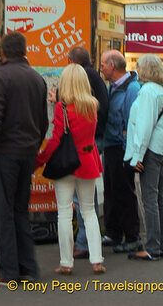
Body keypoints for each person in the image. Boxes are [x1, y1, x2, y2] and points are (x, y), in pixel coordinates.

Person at [0, 31, 48, 284]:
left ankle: (8, 271)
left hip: (7, 152)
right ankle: (28, 268)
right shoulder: (37, 78)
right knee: (20, 210)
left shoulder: (1, 76)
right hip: (28, 152)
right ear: (24, 50)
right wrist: (34, 145)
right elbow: (43, 121)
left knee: (3, 210)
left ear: (3, 52)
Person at [36, 63, 106, 275]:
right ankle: (96, 260)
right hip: (88, 161)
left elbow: (57, 139)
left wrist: (40, 159)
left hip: (66, 164)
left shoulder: (62, 108)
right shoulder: (92, 105)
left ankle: (66, 262)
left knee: (65, 213)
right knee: (89, 211)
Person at [123, 54, 163, 261]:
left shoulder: (146, 92)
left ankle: (152, 247)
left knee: (149, 198)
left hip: (150, 150)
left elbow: (144, 127)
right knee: (160, 197)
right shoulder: (162, 91)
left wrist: (137, 156)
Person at [66, 46, 109, 260]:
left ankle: (83, 243)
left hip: (86, 143)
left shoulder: (84, 77)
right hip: (94, 141)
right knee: (87, 195)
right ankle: (91, 243)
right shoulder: (94, 76)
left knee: (80, 197)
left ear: (72, 62)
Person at [100, 50, 141, 253]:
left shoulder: (130, 89)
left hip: (121, 148)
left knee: (124, 192)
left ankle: (132, 236)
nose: (101, 69)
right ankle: (113, 232)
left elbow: (131, 121)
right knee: (111, 190)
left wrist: (128, 152)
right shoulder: (113, 88)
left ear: (112, 66)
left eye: (103, 65)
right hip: (111, 146)